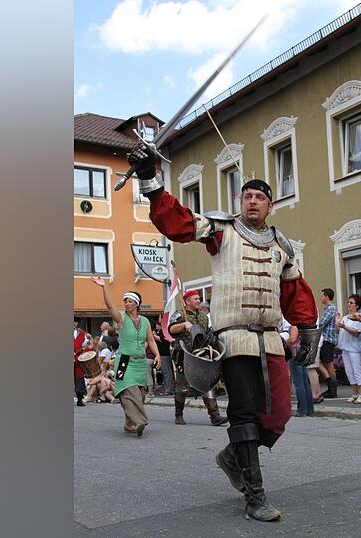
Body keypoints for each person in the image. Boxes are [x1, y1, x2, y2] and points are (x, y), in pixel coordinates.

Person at [128, 144, 319, 522]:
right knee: (244, 414)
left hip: (270, 340)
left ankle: (233, 457)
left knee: (278, 415)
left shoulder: (282, 245)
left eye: (260, 197)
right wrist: (151, 181)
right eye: (247, 195)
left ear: (270, 205)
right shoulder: (221, 231)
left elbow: (294, 290)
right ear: (240, 201)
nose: (252, 201)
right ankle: (255, 495)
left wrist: (308, 328)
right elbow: (177, 222)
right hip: (232, 340)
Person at [90, 277, 160, 437]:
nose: (126, 303)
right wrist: (103, 287)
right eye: (125, 301)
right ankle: (139, 420)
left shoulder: (145, 321)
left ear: (137, 303)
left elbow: (150, 340)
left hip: (140, 363)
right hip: (124, 362)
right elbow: (109, 306)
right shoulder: (121, 319)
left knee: (140, 394)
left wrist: (157, 355)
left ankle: (129, 424)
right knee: (128, 391)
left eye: (129, 301)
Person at [168, 289, 228, 426]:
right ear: (187, 301)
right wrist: (183, 325)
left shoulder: (203, 317)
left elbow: (207, 334)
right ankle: (179, 414)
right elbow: (171, 330)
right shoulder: (179, 314)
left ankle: (215, 416)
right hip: (184, 354)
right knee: (182, 387)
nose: (198, 300)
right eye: (195, 299)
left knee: (207, 384)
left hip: (201, 354)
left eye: (198, 298)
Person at [335, 294, 361, 404]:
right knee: (349, 372)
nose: (349, 304)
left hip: (355, 349)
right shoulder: (345, 317)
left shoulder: (358, 318)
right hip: (345, 348)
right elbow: (337, 331)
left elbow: (356, 333)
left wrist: (345, 327)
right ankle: (355, 393)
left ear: (357, 306)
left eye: (351, 303)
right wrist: (338, 323)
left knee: (357, 370)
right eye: (348, 302)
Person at [280, 317, 311, 417]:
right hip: (302, 351)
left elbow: (292, 339)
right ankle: (309, 409)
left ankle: (301, 409)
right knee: (304, 381)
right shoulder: (302, 321)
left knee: (298, 382)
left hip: (295, 353)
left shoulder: (293, 322)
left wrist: (286, 343)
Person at [316, 288, 339, 399]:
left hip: (328, 339)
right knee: (322, 361)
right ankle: (330, 383)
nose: (321, 298)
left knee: (328, 363)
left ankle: (333, 387)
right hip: (326, 339)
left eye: (322, 296)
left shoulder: (330, 308)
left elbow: (321, 323)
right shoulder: (328, 308)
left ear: (326, 296)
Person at [73, 316, 89, 407]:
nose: (74, 323)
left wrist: (87, 345)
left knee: (79, 378)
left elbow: (85, 345)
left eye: (76, 321)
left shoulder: (83, 334)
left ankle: (80, 399)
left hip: (78, 359)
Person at [155, 325, 174, 396]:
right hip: (163, 353)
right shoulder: (161, 331)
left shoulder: (164, 330)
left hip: (164, 353)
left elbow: (162, 339)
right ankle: (167, 388)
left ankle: (168, 389)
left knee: (167, 372)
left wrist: (152, 335)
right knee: (165, 372)